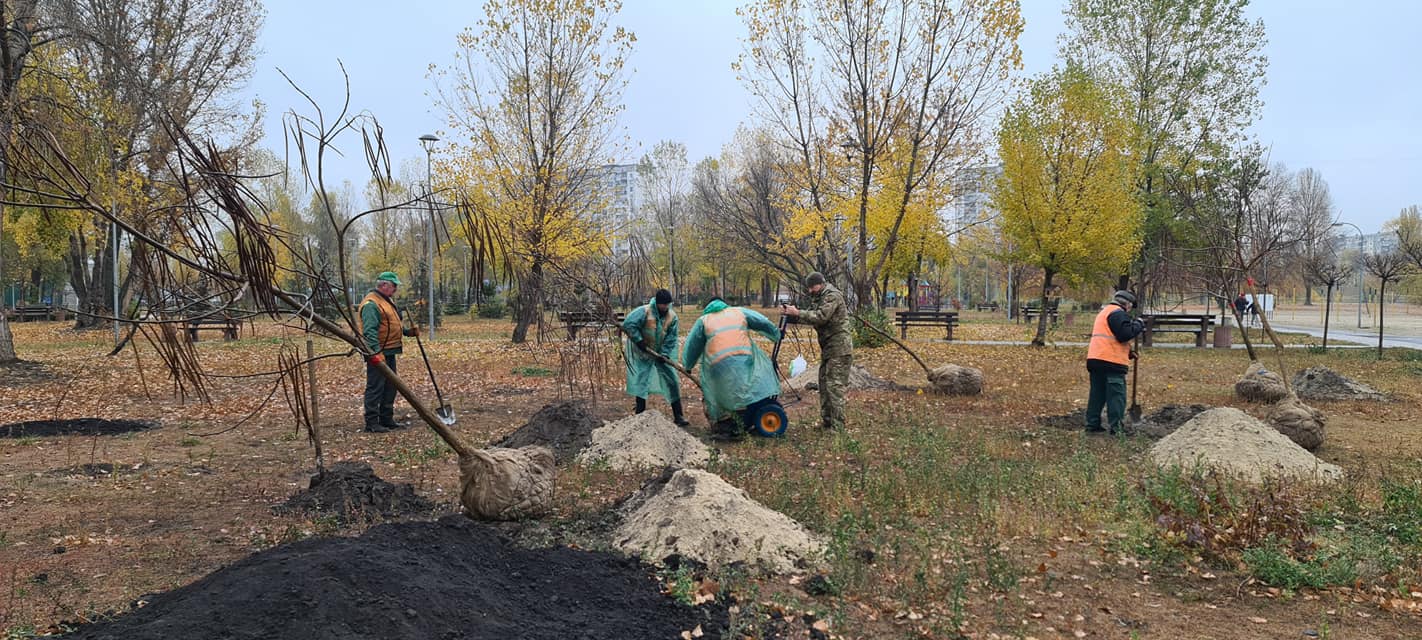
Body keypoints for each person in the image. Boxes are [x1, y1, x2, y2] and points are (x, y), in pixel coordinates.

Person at [682, 297, 781, 437]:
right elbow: (761, 321)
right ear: (724, 304)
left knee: (722, 393)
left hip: (718, 363)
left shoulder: (704, 320)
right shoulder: (738, 312)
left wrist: (688, 365)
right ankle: (742, 419)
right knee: (745, 387)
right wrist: (776, 334)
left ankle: (728, 420)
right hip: (743, 358)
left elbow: (693, 345)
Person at [781, 272, 852, 430]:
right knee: (824, 385)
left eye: (812, 287)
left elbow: (821, 317)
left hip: (839, 348)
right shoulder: (820, 296)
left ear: (820, 283)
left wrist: (798, 312)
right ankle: (827, 422)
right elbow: (811, 317)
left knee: (835, 387)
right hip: (828, 348)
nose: (811, 290)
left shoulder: (832, 296)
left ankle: (838, 427)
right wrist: (792, 315)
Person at [360, 271, 418, 433]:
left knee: (390, 386)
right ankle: (372, 422)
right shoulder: (371, 304)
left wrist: (408, 332)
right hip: (377, 352)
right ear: (384, 285)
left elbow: (391, 324)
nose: (396, 289)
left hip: (390, 350)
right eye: (394, 286)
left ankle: (386, 419)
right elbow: (370, 331)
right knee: (376, 386)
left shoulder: (386, 301)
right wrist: (376, 353)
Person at [621, 288, 689, 426]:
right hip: (643, 352)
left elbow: (671, 338)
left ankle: (679, 416)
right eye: (663, 304)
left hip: (660, 354)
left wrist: (664, 354)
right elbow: (629, 324)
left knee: (672, 381)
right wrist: (639, 340)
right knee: (642, 380)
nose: (666, 307)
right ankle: (639, 415)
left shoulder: (672, 317)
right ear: (657, 303)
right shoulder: (644, 311)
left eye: (668, 304)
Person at [1085, 290, 1145, 434]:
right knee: (1116, 395)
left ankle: (1092, 425)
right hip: (1111, 362)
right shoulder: (1118, 313)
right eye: (1131, 306)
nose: (1130, 310)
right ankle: (1117, 428)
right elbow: (1124, 334)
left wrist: (1128, 352)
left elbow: (1109, 337)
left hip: (1096, 359)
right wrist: (1138, 324)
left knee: (1097, 394)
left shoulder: (1104, 312)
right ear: (1127, 304)